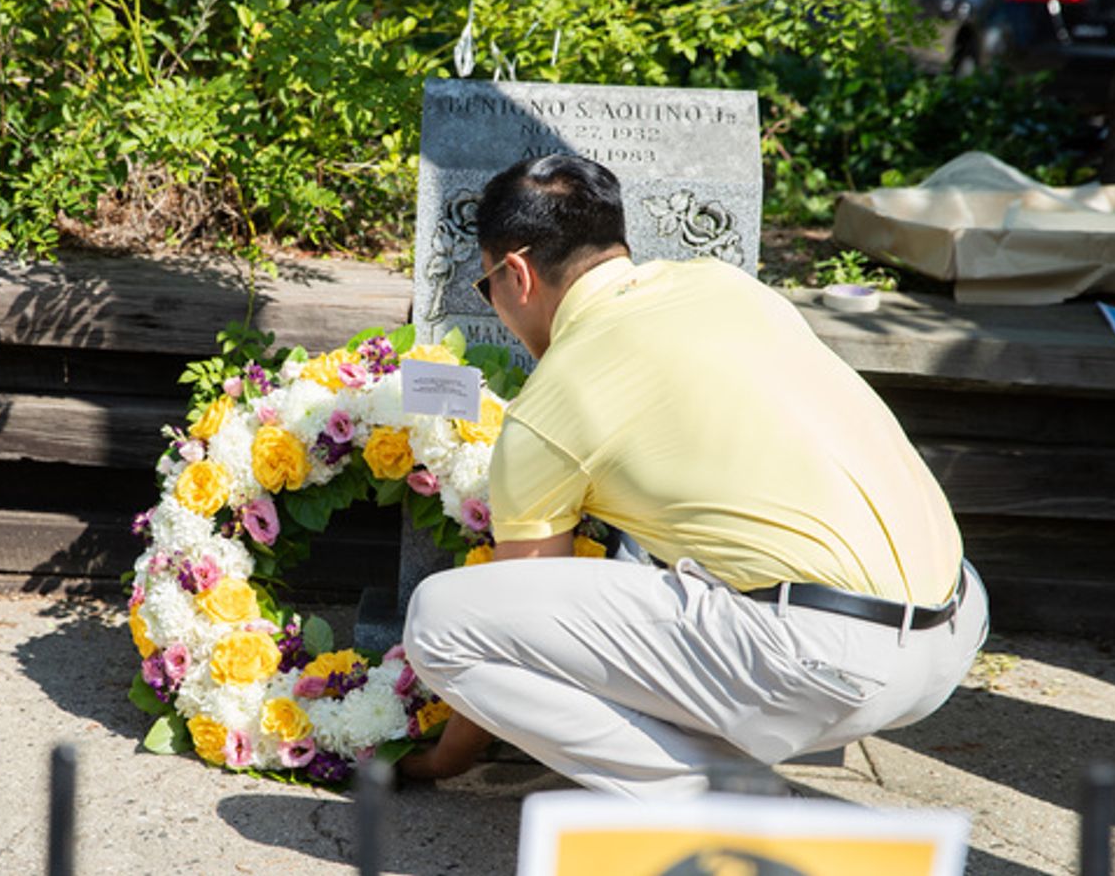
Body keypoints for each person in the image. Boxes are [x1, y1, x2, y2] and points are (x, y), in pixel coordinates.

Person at [398, 153, 989, 799]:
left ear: (516, 274)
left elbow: (505, 615)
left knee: (439, 621)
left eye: (488, 288)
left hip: (833, 659)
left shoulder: (553, 401)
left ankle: (723, 795)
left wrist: (440, 761)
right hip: (956, 627)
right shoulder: (723, 285)